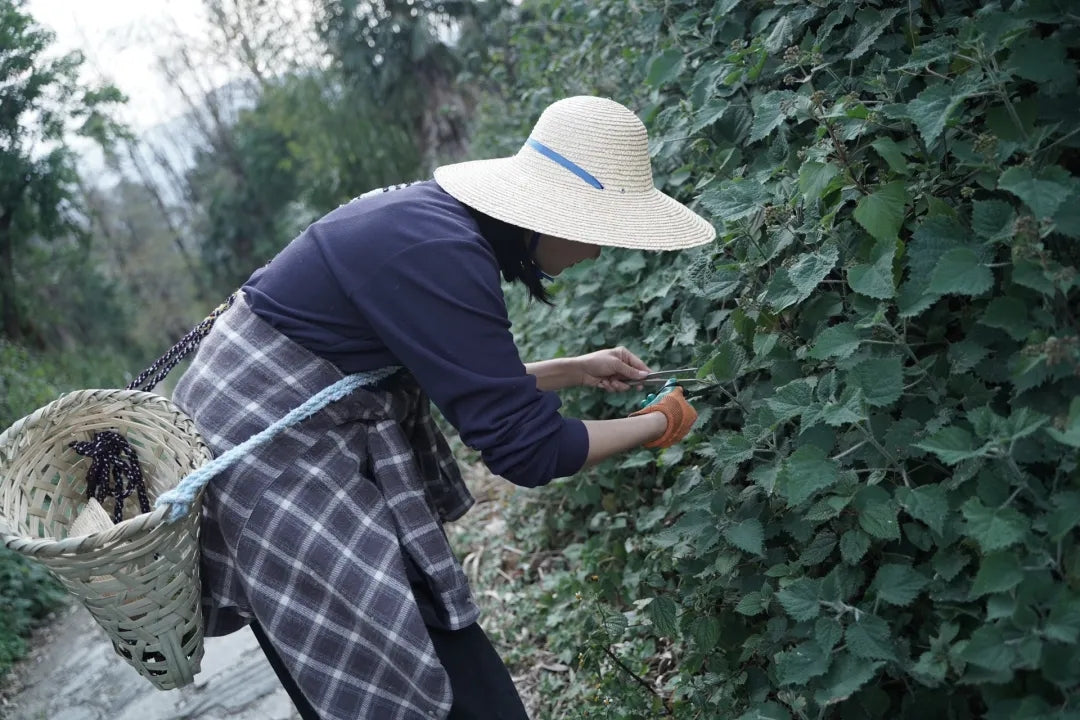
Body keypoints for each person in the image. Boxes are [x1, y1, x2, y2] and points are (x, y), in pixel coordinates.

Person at [170, 95, 715, 720]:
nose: (598, 252)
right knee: (401, 671)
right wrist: (662, 422)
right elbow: (529, 450)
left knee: (431, 654)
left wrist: (573, 370)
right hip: (265, 461)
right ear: (557, 214)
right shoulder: (442, 252)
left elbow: (440, 375)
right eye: (599, 232)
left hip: (280, 430)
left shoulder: (434, 223)